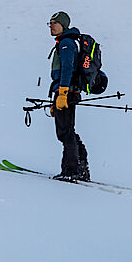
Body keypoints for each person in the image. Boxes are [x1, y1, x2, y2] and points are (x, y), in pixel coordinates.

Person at [47, 10, 90, 182]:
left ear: (63, 25)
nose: (50, 26)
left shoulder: (66, 43)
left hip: (67, 91)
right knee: (67, 130)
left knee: (65, 132)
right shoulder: (66, 42)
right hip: (66, 91)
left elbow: (66, 69)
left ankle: (71, 171)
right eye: (49, 23)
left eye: (54, 23)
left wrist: (62, 93)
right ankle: (81, 168)